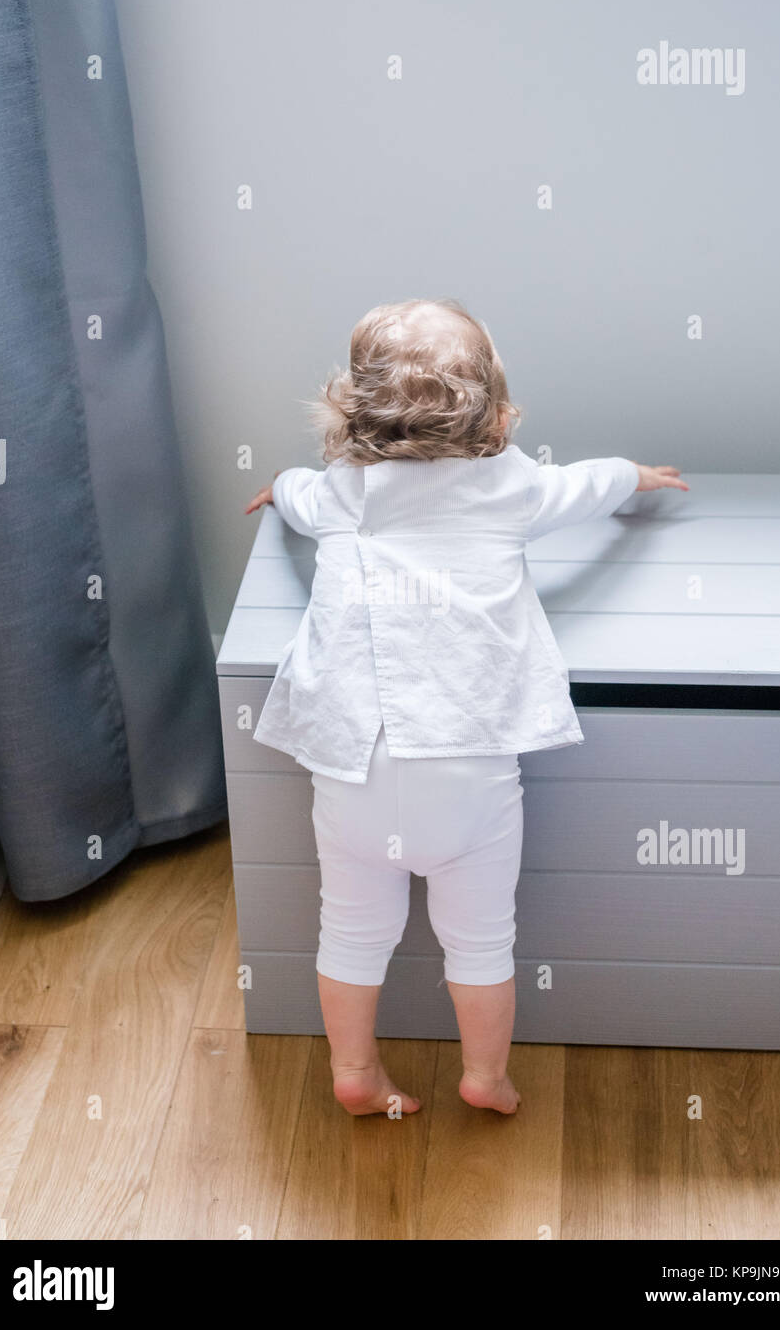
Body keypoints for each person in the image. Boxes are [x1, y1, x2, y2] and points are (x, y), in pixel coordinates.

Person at [245, 298, 688, 1116]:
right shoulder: (509, 486)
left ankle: (354, 1071)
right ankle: (483, 1078)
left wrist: (279, 488)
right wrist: (637, 476)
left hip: (354, 765)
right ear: (496, 411)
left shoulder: (342, 491)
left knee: (349, 934)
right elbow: (582, 487)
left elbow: (302, 497)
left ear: (349, 410)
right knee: (481, 942)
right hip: (470, 769)